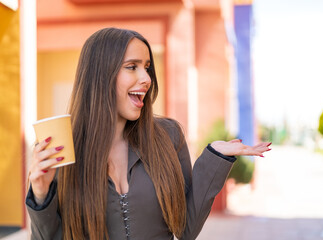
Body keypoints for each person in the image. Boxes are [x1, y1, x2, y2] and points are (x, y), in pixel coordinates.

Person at [26, 27, 271, 240]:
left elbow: (186, 229)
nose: (146, 78)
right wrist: (40, 195)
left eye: (147, 67)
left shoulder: (168, 136)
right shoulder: (62, 147)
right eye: (132, 67)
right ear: (100, 75)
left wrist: (214, 157)